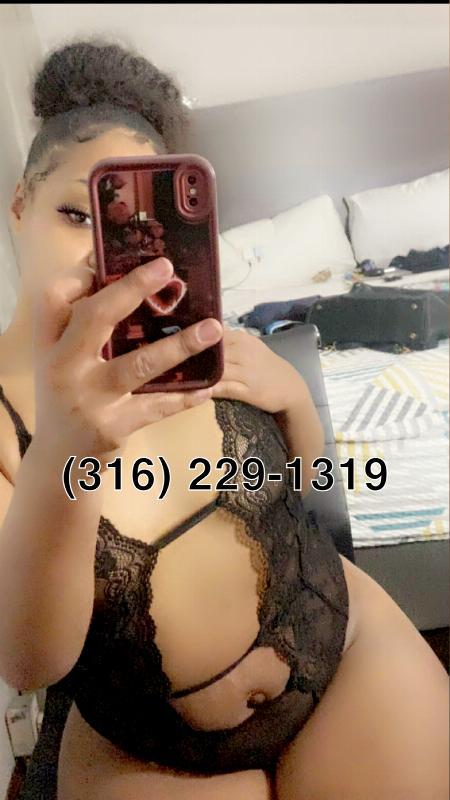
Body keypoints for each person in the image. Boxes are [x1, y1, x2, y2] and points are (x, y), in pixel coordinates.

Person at [0, 39, 447, 800]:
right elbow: (30, 662)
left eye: (141, 236)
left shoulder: (213, 345)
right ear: (20, 206)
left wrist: (295, 400)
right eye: (78, 215)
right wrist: (64, 455)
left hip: (342, 647)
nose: (107, 262)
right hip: (150, 745)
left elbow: (314, 495)